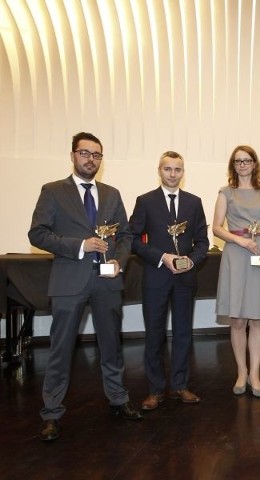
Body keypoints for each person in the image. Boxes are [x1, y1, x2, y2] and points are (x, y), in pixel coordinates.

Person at [28, 132, 142, 442]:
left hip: (107, 281)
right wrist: (80, 245)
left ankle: (118, 399)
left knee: (112, 346)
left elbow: (126, 236)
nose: (90, 159)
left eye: (97, 155)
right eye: (85, 153)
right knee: (60, 350)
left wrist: (119, 261)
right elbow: (37, 234)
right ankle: (51, 413)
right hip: (68, 281)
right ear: (73, 155)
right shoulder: (52, 191)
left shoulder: (112, 194)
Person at [128, 151, 210, 411]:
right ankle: (154, 390)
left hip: (185, 278)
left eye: (177, 169)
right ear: (159, 170)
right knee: (154, 334)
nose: (173, 174)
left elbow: (202, 242)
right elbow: (131, 239)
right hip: (155, 277)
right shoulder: (145, 201)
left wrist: (191, 261)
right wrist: (162, 256)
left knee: (184, 333)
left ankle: (180, 385)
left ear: (183, 172)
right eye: (168, 169)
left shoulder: (194, 203)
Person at [211, 145, 260, 398]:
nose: (242, 164)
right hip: (236, 253)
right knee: (238, 318)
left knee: (257, 318)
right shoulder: (225, 192)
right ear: (233, 165)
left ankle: (255, 373)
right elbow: (217, 228)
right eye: (238, 161)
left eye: (247, 160)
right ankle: (241, 372)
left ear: (255, 164)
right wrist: (239, 240)